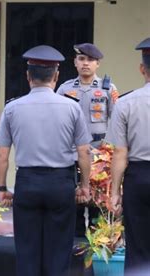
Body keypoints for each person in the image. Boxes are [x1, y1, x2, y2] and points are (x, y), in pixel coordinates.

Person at [0, 45, 91, 276]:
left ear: (28, 76)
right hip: (61, 182)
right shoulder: (72, 107)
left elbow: (2, 155)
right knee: (58, 249)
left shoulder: (12, 108)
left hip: (27, 181)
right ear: (56, 77)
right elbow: (84, 152)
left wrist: (1, 188)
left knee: (27, 249)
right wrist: (84, 185)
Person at [57, 43, 119, 236]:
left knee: (98, 207)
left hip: (99, 153)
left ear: (97, 64)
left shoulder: (108, 88)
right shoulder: (65, 89)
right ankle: (74, 247)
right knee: (73, 201)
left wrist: (110, 152)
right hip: (72, 153)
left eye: (90, 60)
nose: (86, 63)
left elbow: (117, 122)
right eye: (81, 59)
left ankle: (95, 249)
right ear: (75, 62)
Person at [108, 37, 150, 275]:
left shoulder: (126, 103)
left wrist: (115, 191)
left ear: (142, 69)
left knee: (137, 245)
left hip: (138, 178)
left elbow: (120, 153)